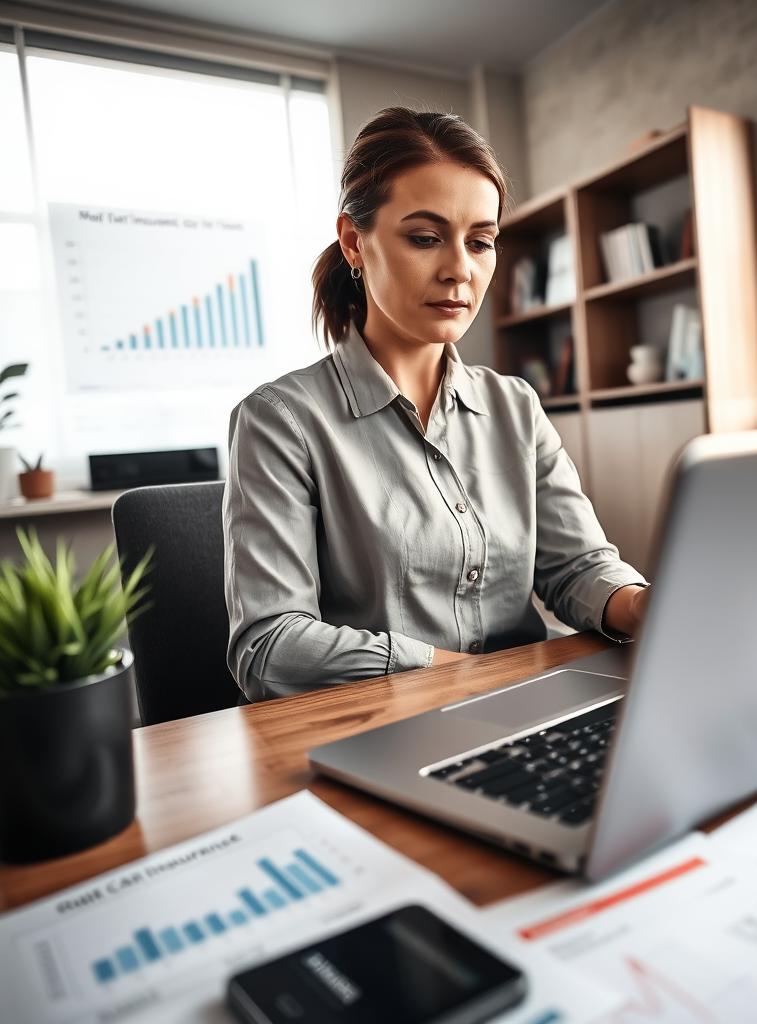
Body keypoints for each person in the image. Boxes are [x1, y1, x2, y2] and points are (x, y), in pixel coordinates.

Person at [223, 106, 651, 702]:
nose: (459, 270)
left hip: (524, 705)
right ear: (354, 241)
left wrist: (641, 605)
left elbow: (575, 566)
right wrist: (454, 672)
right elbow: (269, 645)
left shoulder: (515, 407)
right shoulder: (281, 420)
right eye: (425, 238)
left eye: (480, 242)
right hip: (378, 727)